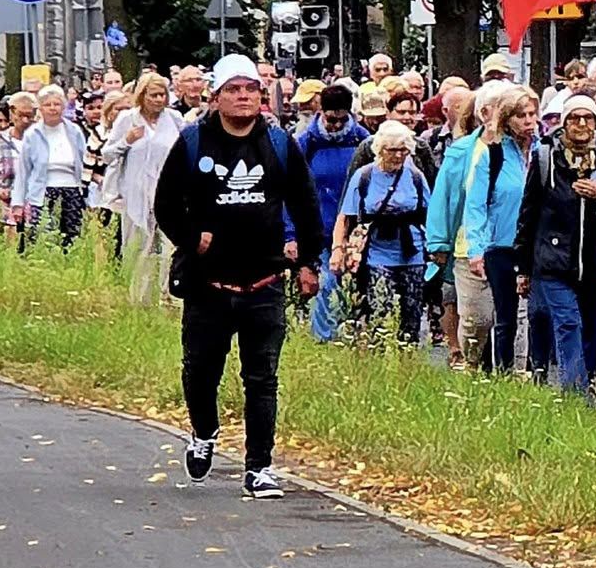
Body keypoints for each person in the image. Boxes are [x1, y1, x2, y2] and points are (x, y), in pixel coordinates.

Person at [154, 54, 323, 499]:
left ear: (262, 96)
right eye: (234, 89)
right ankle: (204, 433)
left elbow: (306, 205)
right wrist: (194, 239)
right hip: (208, 285)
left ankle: (259, 466)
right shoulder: (193, 143)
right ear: (216, 97)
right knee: (201, 371)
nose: (244, 96)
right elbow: (166, 205)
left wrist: (308, 260)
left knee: (262, 377)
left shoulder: (279, 144)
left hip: (264, 281)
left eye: (251, 88)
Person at [516, 93, 596, 391]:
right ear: (564, 122)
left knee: (590, 327)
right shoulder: (547, 158)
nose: (581, 124)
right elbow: (529, 213)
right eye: (575, 118)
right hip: (553, 258)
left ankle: (587, 382)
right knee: (568, 323)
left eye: (588, 118)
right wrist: (523, 268)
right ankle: (576, 393)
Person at [333, 121, 431, 344]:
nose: (398, 156)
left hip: (411, 252)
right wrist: (337, 249)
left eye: (403, 150)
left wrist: (435, 248)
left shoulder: (415, 177)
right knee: (380, 310)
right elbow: (345, 216)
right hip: (376, 253)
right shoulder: (364, 176)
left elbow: (430, 213)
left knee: (411, 315)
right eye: (392, 150)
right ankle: (379, 357)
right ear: (380, 150)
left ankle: (407, 361)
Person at [428, 82, 504, 370]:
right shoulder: (461, 151)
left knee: (505, 316)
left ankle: (504, 372)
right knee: (476, 316)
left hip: (508, 243)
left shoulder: (521, 148)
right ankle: (470, 364)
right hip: (466, 243)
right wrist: (438, 242)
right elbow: (444, 196)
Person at [465, 84, 541, 372]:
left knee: (537, 313)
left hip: (536, 244)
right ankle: (504, 371)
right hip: (501, 245)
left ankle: (537, 371)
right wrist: (476, 249)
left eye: (533, 114)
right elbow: (476, 205)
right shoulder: (492, 155)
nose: (529, 121)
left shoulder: (543, 153)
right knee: (506, 315)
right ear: (508, 118)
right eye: (522, 115)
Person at [100, 72, 186, 303]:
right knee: (138, 247)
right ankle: (138, 299)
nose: (159, 99)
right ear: (142, 95)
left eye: (162, 95)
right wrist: (126, 141)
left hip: (169, 194)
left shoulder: (175, 119)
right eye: (153, 95)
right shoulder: (128, 119)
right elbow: (107, 155)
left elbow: (186, 152)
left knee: (170, 246)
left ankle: (169, 296)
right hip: (136, 194)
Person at [299, 84, 371, 257]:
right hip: (319, 231)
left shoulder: (363, 140)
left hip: (356, 232)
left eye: (343, 119)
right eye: (331, 120)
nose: (337, 125)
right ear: (321, 111)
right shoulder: (305, 143)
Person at [19, 84, 92, 249]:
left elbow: (85, 162)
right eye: (47, 104)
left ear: (63, 106)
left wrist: (87, 194)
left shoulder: (74, 131)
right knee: (44, 237)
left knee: (72, 239)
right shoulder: (32, 134)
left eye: (57, 104)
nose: (52, 108)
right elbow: (24, 171)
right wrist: (19, 202)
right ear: (41, 108)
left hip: (72, 190)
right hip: (43, 191)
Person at [0, 93, 34, 237]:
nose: (25, 120)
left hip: (34, 207)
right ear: (12, 113)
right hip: (6, 207)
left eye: (29, 116)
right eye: (21, 115)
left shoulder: (40, 141)